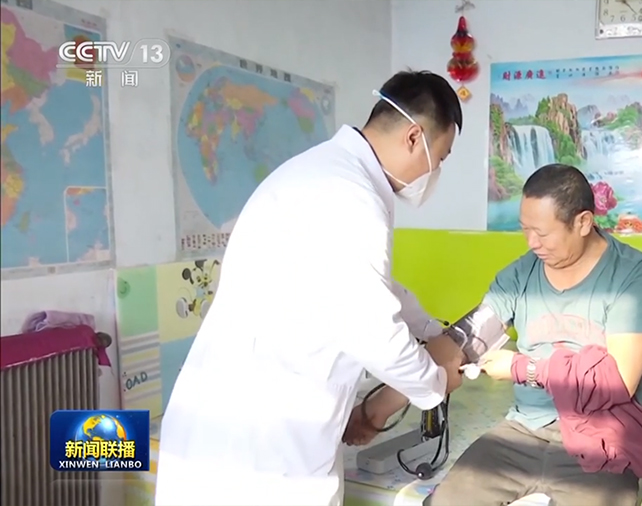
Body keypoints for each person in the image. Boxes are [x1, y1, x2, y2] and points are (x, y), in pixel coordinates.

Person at [154, 70, 468, 506]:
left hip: (225, 421)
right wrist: (434, 383)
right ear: (414, 137)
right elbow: (373, 330)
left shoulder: (316, 172)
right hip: (267, 447)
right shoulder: (352, 196)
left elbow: (370, 286)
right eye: (441, 157)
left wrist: (431, 330)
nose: (435, 172)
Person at [345, 164, 642, 506]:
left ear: (583, 222)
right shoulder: (520, 275)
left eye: (542, 233)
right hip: (523, 431)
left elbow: (617, 382)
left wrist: (522, 368)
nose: (532, 243)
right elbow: (459, 344)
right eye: (525, 230)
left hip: (603, 435)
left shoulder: (633, 274)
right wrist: (375, 411)